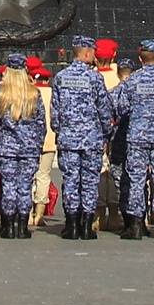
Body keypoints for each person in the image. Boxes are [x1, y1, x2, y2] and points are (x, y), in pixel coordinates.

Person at [111, 39, 154, 239]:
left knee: (136, 181)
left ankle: (136, 226)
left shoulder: (132, 80)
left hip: (137, 138)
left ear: (140, 58)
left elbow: (121, 109)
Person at [49, 37, 114, 240]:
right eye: (93, 52)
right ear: (86, 53)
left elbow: (55, 111)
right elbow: (104, 110)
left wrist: (60, 131)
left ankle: (72, 225)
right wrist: (105, 134)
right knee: (89, 182)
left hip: (68, 139)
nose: (95, 55)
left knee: (70, 181)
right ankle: (86, 226)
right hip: (91, 139)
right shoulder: (95, 78)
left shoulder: (61, 77)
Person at [0, 50, 48, 237]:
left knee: (8, 186)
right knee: (25, 187)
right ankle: (22, 227)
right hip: (29, 149)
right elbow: (41, 124)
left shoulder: (1, 92)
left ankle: (8, 226)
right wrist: (37, 145)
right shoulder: (34, 93)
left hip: (7, 148)